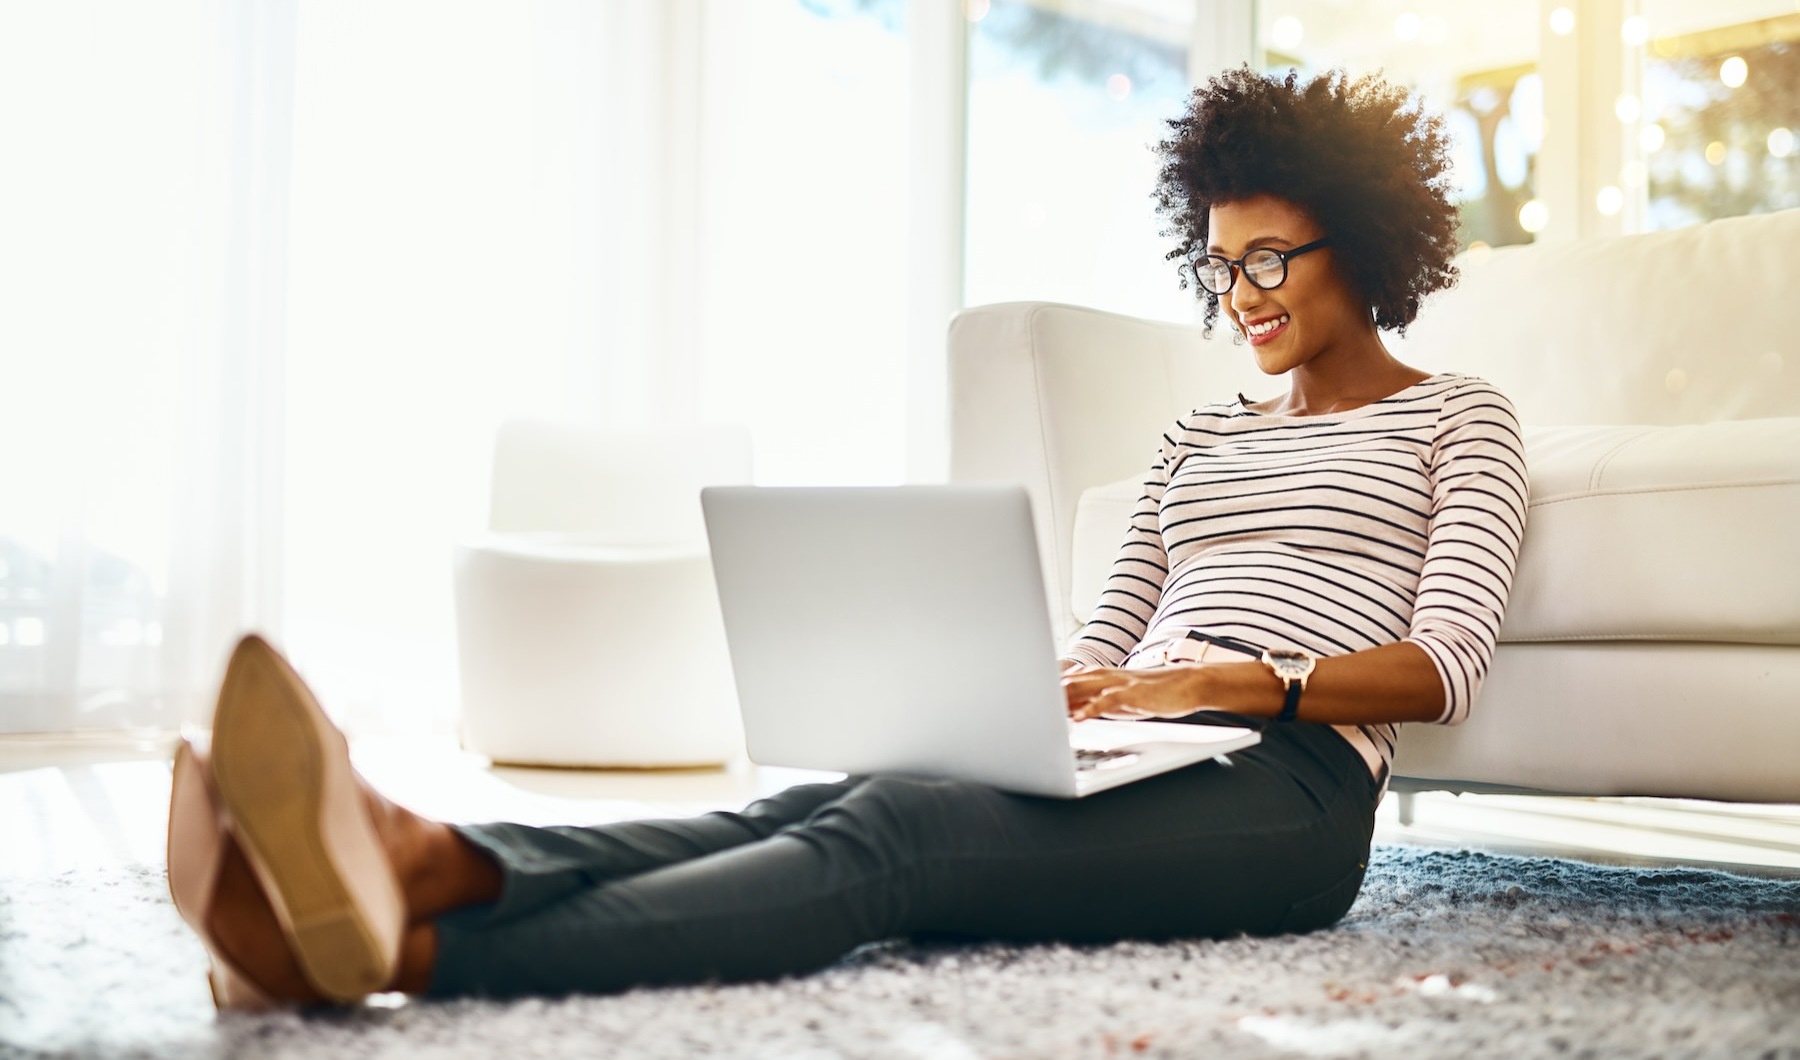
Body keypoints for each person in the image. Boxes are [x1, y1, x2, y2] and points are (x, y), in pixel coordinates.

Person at [165, 67, 1528, 1008]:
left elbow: (1448, 664)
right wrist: (1025, 696)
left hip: (1289, 794)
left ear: (1356, 243)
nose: (1243, 295)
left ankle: (409, 953)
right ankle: (424, 857)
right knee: (819, 802)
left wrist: (1241, 684)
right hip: (1141, 745)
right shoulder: (1196, 439)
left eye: (1271, 260)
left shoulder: (1462, 421)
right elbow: (1105, 645)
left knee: (902, 841)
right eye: (1222, 267)